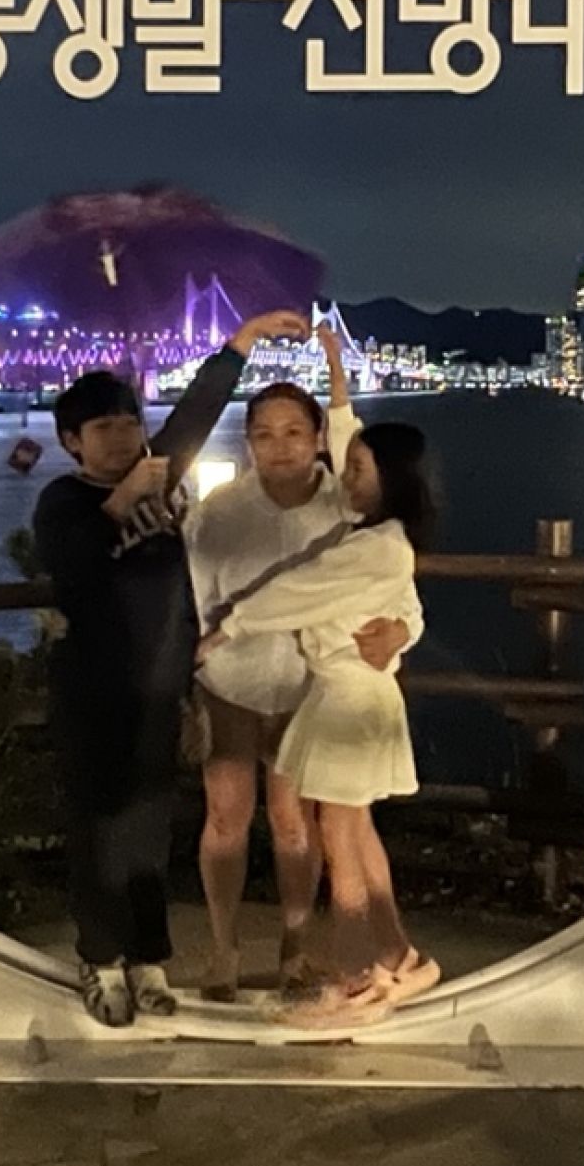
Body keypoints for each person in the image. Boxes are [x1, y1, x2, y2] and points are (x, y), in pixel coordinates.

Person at [33, 308, 310, 1028]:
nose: (123, 437)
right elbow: (73, 570)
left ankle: (148, 959)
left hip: (158, 691)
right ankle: (100, 961)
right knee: (98, 829)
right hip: (92, 694)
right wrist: (121, 502)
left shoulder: (158, 481)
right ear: (71, 442)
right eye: (103, 428)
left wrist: (242, 342)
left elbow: (197, 412)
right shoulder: (63, 502)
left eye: (130, 423)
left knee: (149, 831)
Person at [197, 347, 440, 1021]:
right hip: (294, 692)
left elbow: (314, 587)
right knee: (338, 832)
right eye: (263, 434)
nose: (281, 447)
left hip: (334, 695)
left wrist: (229, 626)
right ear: (248, 443)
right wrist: (333, 364)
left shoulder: (358, 523)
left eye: (295, 433)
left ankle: (346, 970)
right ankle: (393, 959)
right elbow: (351, 438)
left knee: (329, 836)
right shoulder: (226, 512)